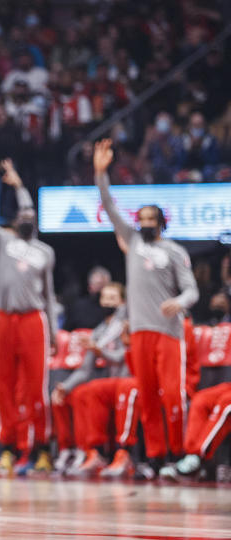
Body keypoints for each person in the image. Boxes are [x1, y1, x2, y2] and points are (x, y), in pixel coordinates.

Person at [93, 139, 199, 478]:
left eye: (152, 218)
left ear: (162, 223)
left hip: (169, 332)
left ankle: (180, 454)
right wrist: (100, 173)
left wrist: (178, 303)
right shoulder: (134, 243)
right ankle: (155, 457)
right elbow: (109, 205)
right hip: (140, 333)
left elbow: (192, 290)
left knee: (172, 395)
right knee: (149, 398)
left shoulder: (174, 251)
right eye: (143, 218)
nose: (146, 222)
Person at [0, 149, 57, 476]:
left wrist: (55, 336)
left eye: (31, 216)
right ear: (15, 220)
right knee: (5, 385)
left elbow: (49, 294)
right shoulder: (3, 241)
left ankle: (41, 448)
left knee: (36, 389)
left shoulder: (45, 252)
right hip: (4, 319)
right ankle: (7, 447)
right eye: (22, 215)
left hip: (35, 320)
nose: (26, 218)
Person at [50, 283, 135, 478]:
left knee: (90, 391)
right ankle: (83, 451)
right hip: (108, 384)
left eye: (112, 298)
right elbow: (85, 370)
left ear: (123, 302)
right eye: (104, 298)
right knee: (73, 394)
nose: (107, 302)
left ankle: (107, 451)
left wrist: (100, 350)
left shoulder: (127, 324)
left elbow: (122, 356)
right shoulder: (99, 330)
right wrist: (65, 386)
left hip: (127, 379)